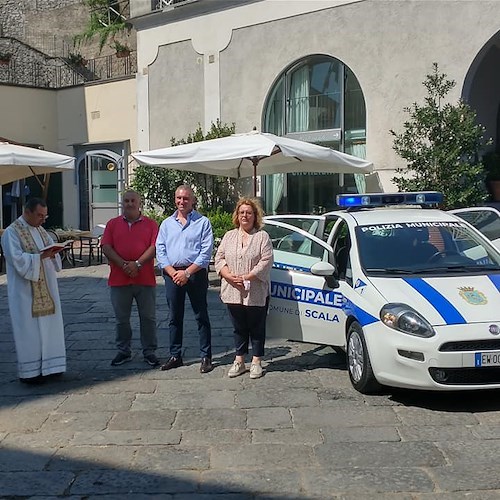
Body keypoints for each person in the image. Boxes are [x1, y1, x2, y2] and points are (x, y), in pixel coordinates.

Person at [1, 197, 66, 383]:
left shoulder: (41, 230)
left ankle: (53, 367)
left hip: (47, 288)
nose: (42, 220)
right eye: (39, 215)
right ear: (27, 211)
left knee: (49, 328)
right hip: (25, 293)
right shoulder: (11, 233)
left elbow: (50, 257)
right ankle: (31, 372)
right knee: (29, 332)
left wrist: (53, 254)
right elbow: (17, 260)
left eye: (44, 216)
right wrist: (41, 256)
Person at [156, 185, 214, 373]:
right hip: (172, 275)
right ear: (175, 200)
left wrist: (187, 273)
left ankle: (206, 356)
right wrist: (173, 272)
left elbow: (205, 253)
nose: (182, 202)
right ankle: (175, 355)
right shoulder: (166, 224)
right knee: (174, 317)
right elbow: (161, 251)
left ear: (192, 200)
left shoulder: (203, 222)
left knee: (201, 315)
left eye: (186, 198)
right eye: (179, 198)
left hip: (195, 274)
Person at [214, 198, 273, 379]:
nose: (245, 216)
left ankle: (256, 361)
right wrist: (228, 275)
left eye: (249, 213)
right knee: (238, 327)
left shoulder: (262, 237)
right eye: (242, 213)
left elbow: (266, 260)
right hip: (233, 289)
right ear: (237, 216)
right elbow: (219, 258)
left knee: (256, 326)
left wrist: (248, 276)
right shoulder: (229, 236)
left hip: (255, 289)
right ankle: (239, 360)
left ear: (255, 216)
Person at [101, 190, 160, 367]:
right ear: (122, 203)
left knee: (148, 318)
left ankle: (149, 351)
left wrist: (138, 264)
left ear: (139, 202)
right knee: (121, 319)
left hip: (145, 279)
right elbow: (106, 246)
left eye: (132, 200)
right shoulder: (112, 224)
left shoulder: (151, 224)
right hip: (119, 279)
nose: (129, 203)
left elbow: (155, 246)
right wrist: (123, 265)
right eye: (126, 201)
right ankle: (123, 351)